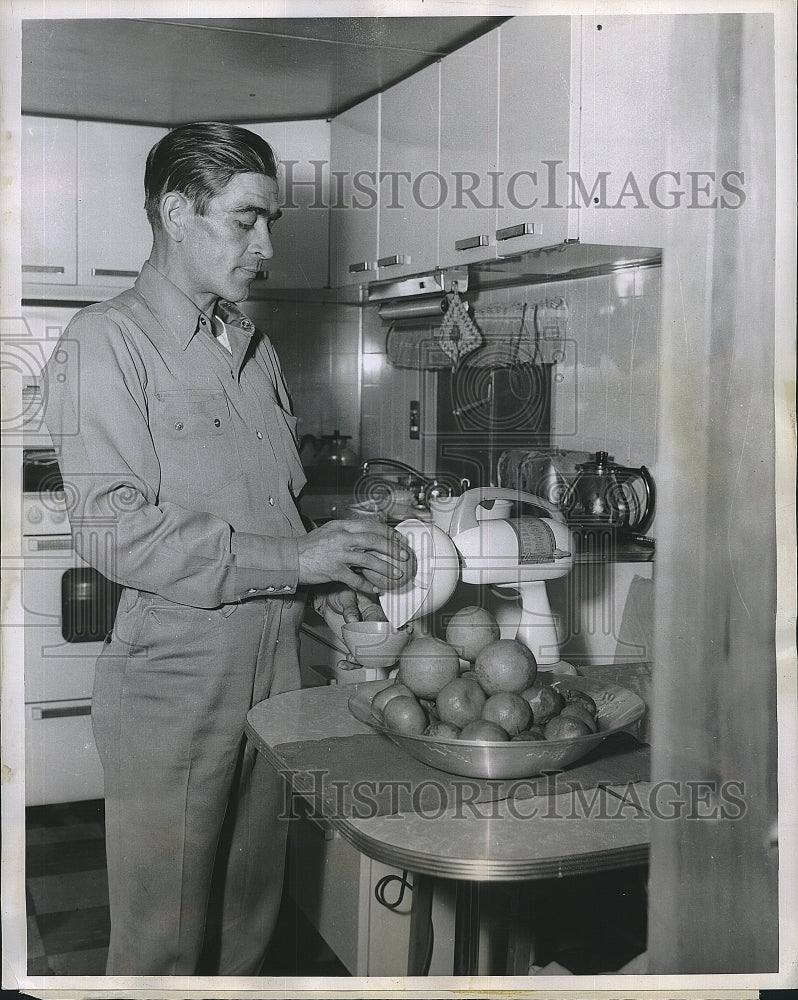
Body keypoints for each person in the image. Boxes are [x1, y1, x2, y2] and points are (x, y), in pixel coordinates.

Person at [43, 121, 415, 976]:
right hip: (175, 675)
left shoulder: (251, 347)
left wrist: (326, 580)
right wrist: (299, 562)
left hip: (277, 663)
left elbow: (272, 508)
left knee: (252, 914)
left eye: (271, 221)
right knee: (164, 938)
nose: (267, 246)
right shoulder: (104, 341)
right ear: (178, 212)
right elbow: (113, 527)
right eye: (246, 220)